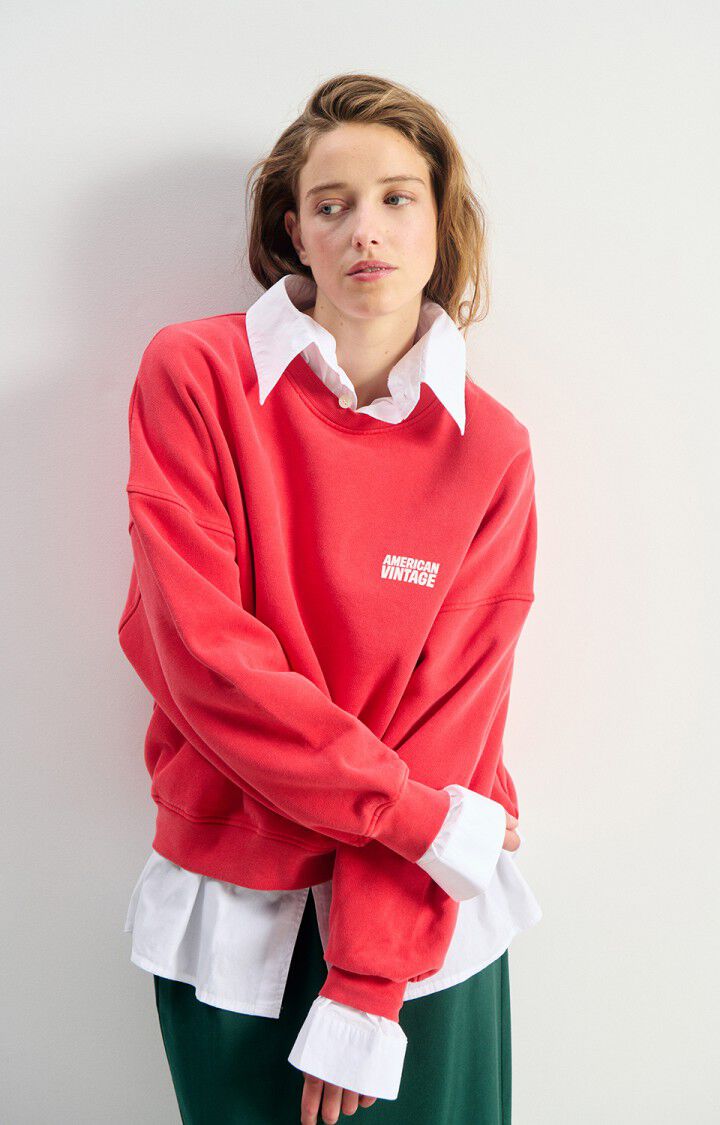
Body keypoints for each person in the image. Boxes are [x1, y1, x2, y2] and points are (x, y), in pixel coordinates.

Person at [118, 72, 542, 1125]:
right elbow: (206, 663)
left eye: (398, 198)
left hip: (425, 930)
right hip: (236, 910)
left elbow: (456, 723)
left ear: (440, 222)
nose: (367, 231)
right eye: (332, 203)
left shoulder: (491, 449)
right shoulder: (196, 376)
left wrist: (369, 976)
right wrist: (415, 818)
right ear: (294, 231)